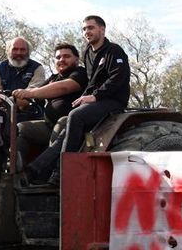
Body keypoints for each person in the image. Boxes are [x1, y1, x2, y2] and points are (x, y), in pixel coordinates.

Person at [28, 16, 130, 186]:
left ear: (102, 30)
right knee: (68, 124)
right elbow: (92, 81)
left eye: (91, 28)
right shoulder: (88, 52)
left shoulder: (114, 51)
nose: (87, 32)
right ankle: (37, 169)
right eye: (84, 29)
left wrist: (95, 96)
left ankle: (62, 172)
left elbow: (118, 78)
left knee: (76, 116)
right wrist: (86, 95)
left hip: (113, 101)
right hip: (96, 100)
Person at [13, 43, 88, 178]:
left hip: (72, 127)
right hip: (48, 125)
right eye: (58, 57)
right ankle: (15, 170)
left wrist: (31, 93)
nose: (61, 60)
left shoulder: (80, 73)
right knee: (21, 128)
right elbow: (26, 99)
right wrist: (12, 97)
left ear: (76, 60)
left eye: (66, 56)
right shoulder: (53, 78)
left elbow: (64, 87)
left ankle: (45, 174)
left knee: (62, 123)